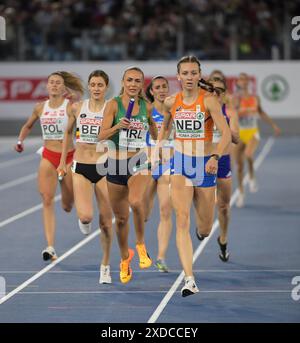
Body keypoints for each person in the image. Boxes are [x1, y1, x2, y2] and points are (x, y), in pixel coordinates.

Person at [156, 56, 231, 296]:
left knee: (205, 228)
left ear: (199, 75)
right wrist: (159, 146)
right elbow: (166, 127)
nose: (189, 77)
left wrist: (215, 157)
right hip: (180, 164)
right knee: (182, 219)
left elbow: (226, 133)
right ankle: (189, 278)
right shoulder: (171, 102)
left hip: (205, 166)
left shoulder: (208, 101)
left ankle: (203, 233)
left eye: (193, 73)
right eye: (185, 73)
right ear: (178, 76)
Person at [14, 71, 84, 261]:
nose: (53, 85)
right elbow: (28, 126)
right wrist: (20, 140)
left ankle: (67, 198)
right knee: (46, 199)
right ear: (47, 86)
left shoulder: (70, 107)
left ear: (63, 87)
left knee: (68, 205)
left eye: (58, 83)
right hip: (48, 155)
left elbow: (81, 104)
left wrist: (75, 96)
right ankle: (50, 247)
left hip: (68, 157)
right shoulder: (40, 107)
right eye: (51, 82)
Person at [99, 66, 158, 284]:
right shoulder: (113, 104)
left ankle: (141, 245)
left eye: (138, 81)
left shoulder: (147, 107)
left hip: (137, 161)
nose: (133, 84)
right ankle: (125, 258)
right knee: (121, 219)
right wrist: (117, 126)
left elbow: (154, 132)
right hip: (114, 164)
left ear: (142, 85)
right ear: (123, 82)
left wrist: (152, 127)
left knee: (135, 201)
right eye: (129, 80)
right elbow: (100, 136)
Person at [57, 70, 113, 284]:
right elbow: (67, 134)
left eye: (100, 85)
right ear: (89, 87)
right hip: (80, 167)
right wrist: (63, 161)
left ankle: (105, 266)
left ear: (106, 87)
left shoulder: (112, 109)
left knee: (107, 223)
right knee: (86, 217)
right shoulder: (78, 108)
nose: (97, 88)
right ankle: (84, 219)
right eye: (93, 84)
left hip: (105, 168)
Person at [202, 77, 239, 262]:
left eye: (220, 90)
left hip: (222, 159)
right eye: (213, 90)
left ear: (224, 94)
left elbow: (237, 139)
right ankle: (203, 227)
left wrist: (224, 127)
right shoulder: (201, 108)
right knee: (203, 201)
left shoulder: (229, 112)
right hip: (203, 159)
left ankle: (223, 238)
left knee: (223, 206)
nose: (216, 93)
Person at [234, 73, 281, 207]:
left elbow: (261, 113)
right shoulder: (235, 99)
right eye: (240, 80)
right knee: (238, 167)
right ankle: (241, 194)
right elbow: (230, 114)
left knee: (248, 154)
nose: (243, 82)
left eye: (244, 79)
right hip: (239, 133)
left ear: (248, 82)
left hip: (252, 132)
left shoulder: (255, 98)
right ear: (238, 83)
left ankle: (252, 176)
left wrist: (273, 125)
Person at [144, 76, 174, 272]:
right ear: (152, 91)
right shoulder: (146, 110)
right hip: (147, 165)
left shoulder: (176, 110)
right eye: (158, 87)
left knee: (165, 210)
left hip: (168, 164)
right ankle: (140, 246)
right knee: (143, 213)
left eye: (164, 87)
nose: (162, 90)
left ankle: (161, 256)